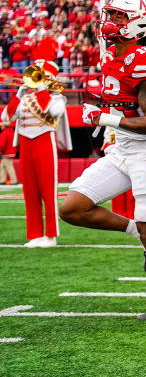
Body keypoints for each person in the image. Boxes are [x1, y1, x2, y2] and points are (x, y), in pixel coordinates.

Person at [59, 0, 146, 320]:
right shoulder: (112, 54)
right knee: (72, 208)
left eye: (119, 16)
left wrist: (106, 118)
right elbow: (112, 94)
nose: (110, 22)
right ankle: (134, 232)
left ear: (140, 24)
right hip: (122, 149)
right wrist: (94, 103)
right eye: (111, 14)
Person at [2, 59, 69, 246]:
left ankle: (51, 235)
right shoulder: (24, 98)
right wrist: (18, 94)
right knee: (29, 192)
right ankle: (35, 234)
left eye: (43, 76)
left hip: (45, 143)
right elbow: (6, 117)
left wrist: (41, 90)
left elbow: (55, 112)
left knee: (48, 191)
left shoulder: (56, 97)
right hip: (26, 144)